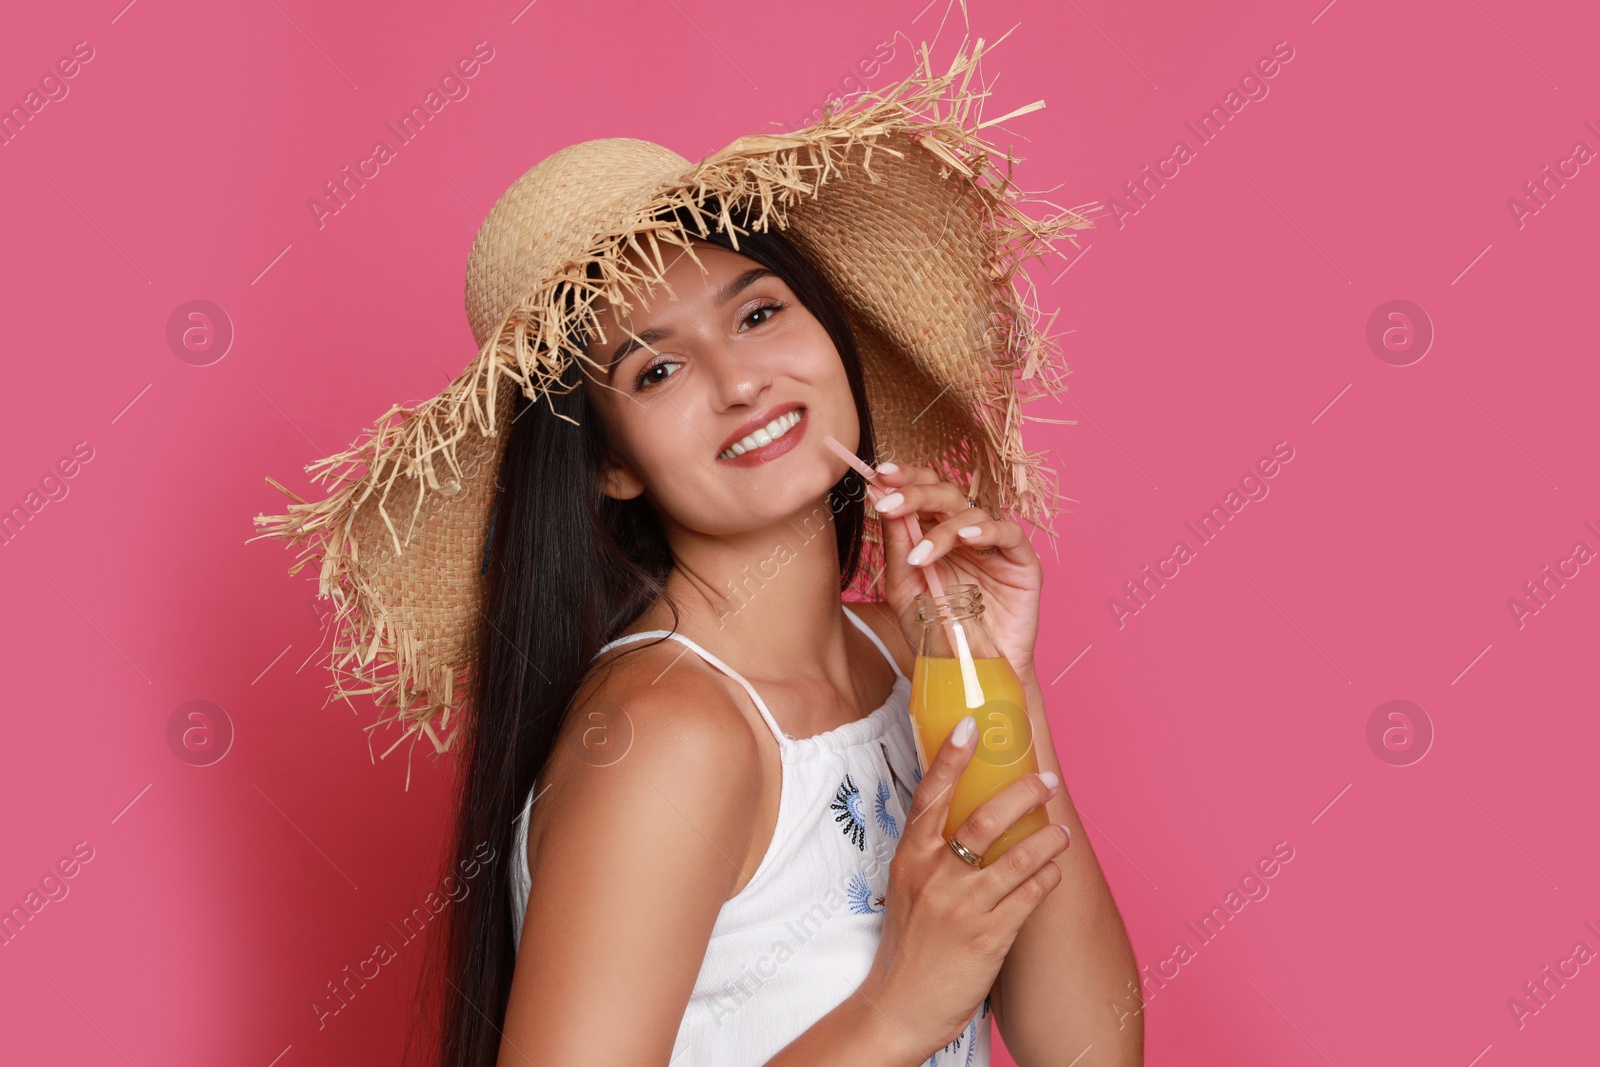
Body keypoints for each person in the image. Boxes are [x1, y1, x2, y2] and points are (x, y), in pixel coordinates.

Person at [254, 36, 1139, 1067]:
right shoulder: (669, 736)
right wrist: (895, 1011)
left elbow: (1089, 1050)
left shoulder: (908, 656)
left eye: (759, 313)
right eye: (659, 368)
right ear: (609, 464)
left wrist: (997, 678)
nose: (740, 380)